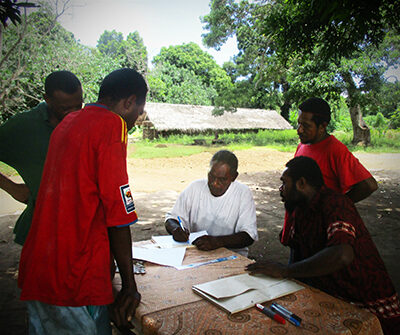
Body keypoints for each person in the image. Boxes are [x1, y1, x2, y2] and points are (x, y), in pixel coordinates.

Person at [18, 68, 148, 334]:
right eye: (137, 112)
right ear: (129, 102)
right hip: (74, 276)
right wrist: (129, 286)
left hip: (39, 268)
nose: (136, 120)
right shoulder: (113, 125)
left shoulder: (67, 123)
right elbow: (118, 212)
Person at [246, 156, 400, 335]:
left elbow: (342, 255)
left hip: (364, 301)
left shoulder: (335, 203)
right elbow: (298, 252)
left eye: (284, 183)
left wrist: (286, 271)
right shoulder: (300, 209)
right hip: (331, 294)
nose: (280, 189)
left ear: (301, 183)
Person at [0, 70, 83, 245]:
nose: (74, 113)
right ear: (47, 99)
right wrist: (12, 188)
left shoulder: (85, 122)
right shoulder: (23, 126)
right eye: (65, 108)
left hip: (80, 229)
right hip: (41, 234)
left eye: (78, 105)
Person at [281, 97, 378, 244]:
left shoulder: (335, 150)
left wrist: (336, 206)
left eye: (306, 126)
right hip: (301, 228)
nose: (299, 130)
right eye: (299, 123)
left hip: (319, 233)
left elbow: (368, 185)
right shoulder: (302, 146)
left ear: (322, 126)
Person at [165, 150, 258, 257]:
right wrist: (176, 229)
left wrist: (217, 242)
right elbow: (171, 219)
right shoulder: (195, 188)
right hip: (197, 254)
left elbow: (248, 236)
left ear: (234, 177)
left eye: (222, 179)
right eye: (211, 176)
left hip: (231, 257)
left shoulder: (243, 193)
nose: (215, 183)